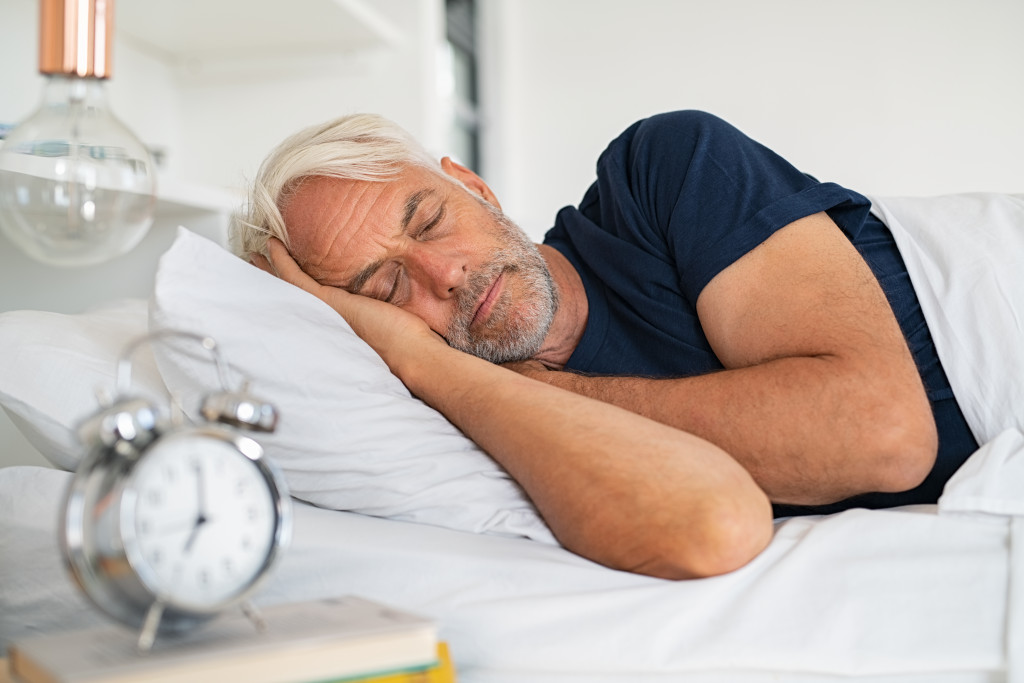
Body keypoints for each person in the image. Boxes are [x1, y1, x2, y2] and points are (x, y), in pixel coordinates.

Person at [233, 110, 979, 579]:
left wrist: (541, 388)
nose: (445, 274)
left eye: (428, 220)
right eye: (387, 289)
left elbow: (882, 434)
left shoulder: (661, 171)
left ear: (474, 186)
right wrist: (425, 364)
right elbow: (705, 528)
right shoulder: (454, 417)